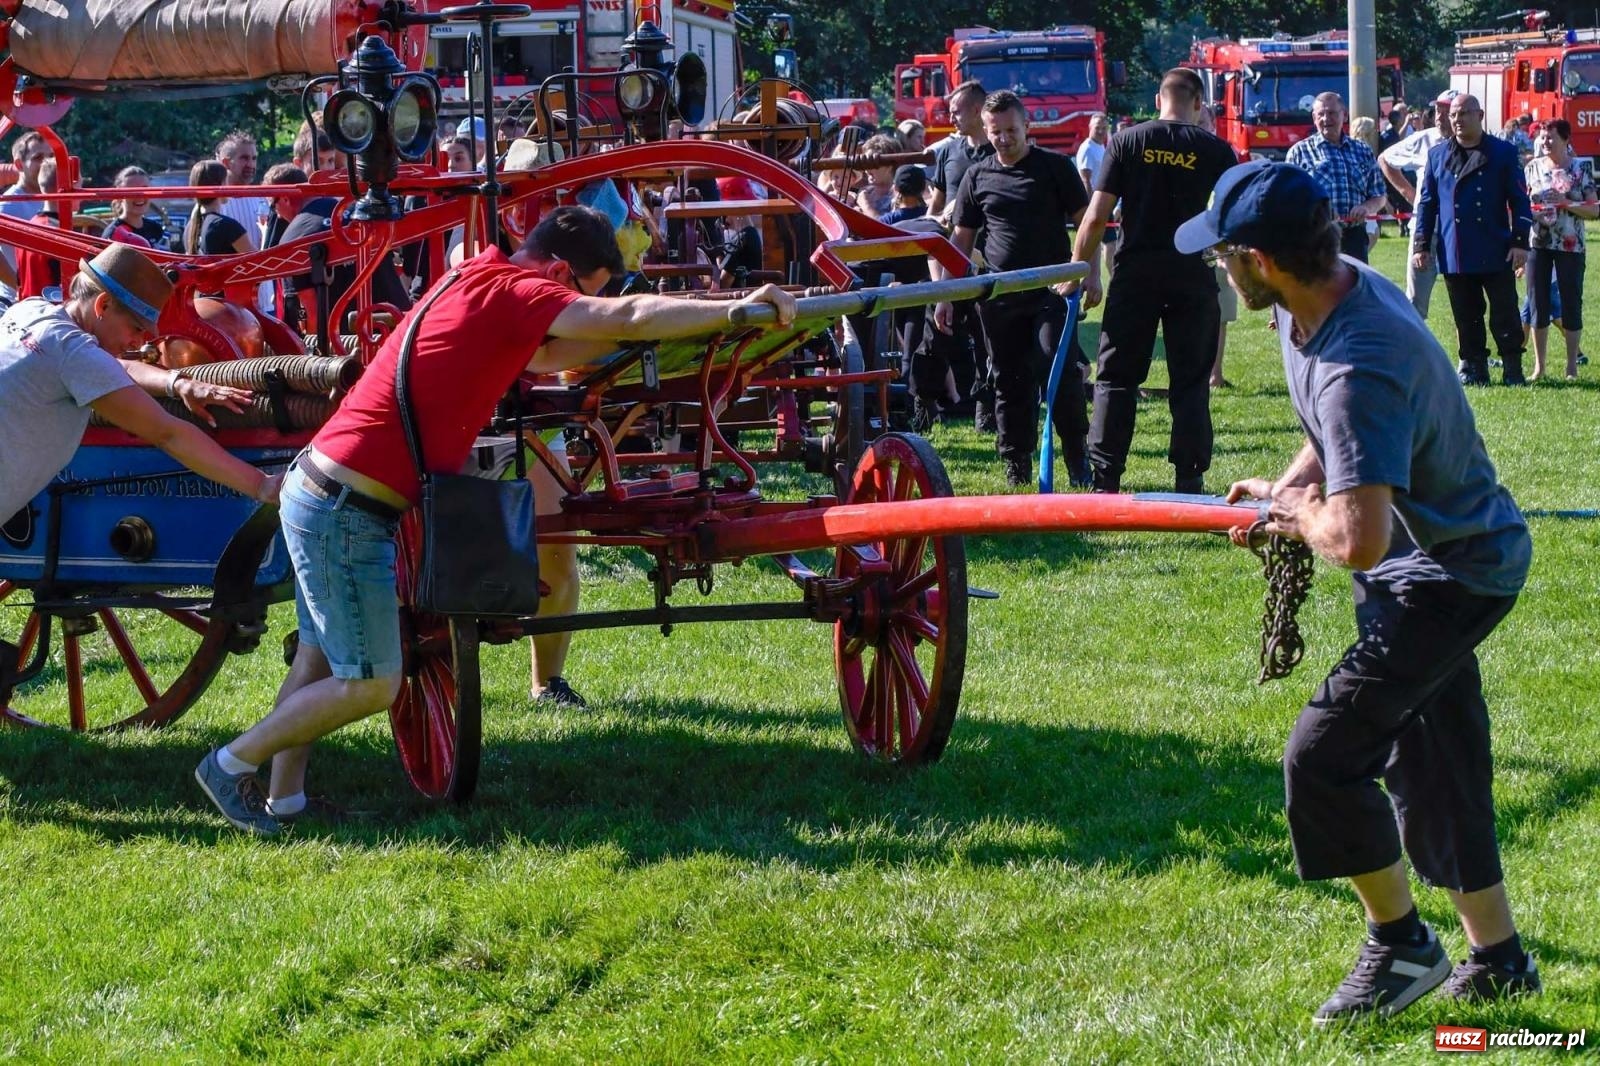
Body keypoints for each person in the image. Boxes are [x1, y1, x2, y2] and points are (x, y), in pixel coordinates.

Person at [193, 206, 798, 835]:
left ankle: (283, 803)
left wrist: (666, 328)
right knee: (372, 682)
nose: (578, 304)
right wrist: (733, 308)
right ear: (561, 270)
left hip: (326, 490)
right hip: (348, 506)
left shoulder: (479, 277)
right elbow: (627, 316)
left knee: (319, 662)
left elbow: (556, 354)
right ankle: (229, 764)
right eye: (582, 292)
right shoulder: (518, 291)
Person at [1181, 161, 1540, 1025]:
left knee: (1323, 758)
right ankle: (1499, 961)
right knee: (1436, 758)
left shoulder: (1357, 363)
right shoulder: (1322, 297)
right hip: (1423, 562)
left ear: (1260, 261)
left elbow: (1356, 537)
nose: (1220, 269)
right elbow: (1335, 443)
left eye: (1224, 254)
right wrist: (1286, 490)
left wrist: (1303, 513)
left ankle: (1402, 949)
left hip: (1452, 571)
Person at [0, 244, 274, 525]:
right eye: (136, 328)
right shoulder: (75, 355)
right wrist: (261, 486)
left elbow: (112, 368)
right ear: (103, 305)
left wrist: (177, 382)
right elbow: (168, 434)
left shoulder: (30, 310)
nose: (139, 343)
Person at [1070, 68, 1237, 495]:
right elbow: (1231, 222)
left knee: (1115, 378)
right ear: (1199, 103)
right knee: (1191, 380)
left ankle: (1105, 478)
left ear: (1158, 98)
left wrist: (1077, 269)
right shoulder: (1217, 149)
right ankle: (1190, 478)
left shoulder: (1127, 141)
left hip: (1135, 275)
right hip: (1192, 276)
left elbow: (1095, 216)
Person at [936, 90, 1092, 488]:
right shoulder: (977, 175)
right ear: (985, 131)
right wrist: (946, 294)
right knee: (1009, 380)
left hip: (1052, 291)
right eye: (996, 131)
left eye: (1011, 130)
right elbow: (962, 240)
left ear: (1027, 127)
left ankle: (1078, 459)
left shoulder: (1055, 168)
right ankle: (1016, 464)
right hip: (1000, 296)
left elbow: (1087, 224)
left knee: (1057, 373)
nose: (1004, 138)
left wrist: (1089, 274)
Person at [1412, 94, 1533, 386]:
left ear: (1479, 115)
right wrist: (1421, 244)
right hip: (1456, 249)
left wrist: (1519, 242)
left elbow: (1519, 200)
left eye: (1464, 113)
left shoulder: (1502, 152)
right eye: (1453, 115)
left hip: (1495, 246)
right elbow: (1427, 203)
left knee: (1504, 313)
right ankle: (1475, 368)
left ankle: (1512, 368)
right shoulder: (1437, 155)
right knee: (1466, 315)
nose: (1457, 119)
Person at [925, 79, 995, 430]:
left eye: (957, 110)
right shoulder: (948, 153)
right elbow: (934, 206)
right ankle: (925, 407)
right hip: (948, 261)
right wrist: (939, 218)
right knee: (935, 336)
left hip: (988, 259)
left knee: (987, 340)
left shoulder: (998, 154)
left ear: (978, 110)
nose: (950, 115)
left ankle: (985, 411)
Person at [1522, 118, 1596, 380]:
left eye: (1551, 136)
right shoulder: (1531, 168)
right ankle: (1539, 368)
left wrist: (1565, 203)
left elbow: (1594, 209)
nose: (1545, 141)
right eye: (1543, 136)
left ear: (1566, 139)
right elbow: (1523, 206)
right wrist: (1535, 214)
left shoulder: (1580, 168)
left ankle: (1571, 367)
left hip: (1570, 245)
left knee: (1570, 302)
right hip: (1538, 244)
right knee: (1537, 303)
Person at [1379, 90, 1457, 315]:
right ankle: (1408, 349)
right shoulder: (1426, 139)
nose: (1440, 117)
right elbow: (1385, 159)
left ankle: (1471, 351)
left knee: (1466, 300)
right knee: (1415, 303)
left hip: (1460, 232)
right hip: (1426, 231)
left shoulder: (1476, 142)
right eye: (1438, 111)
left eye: (1447, 112)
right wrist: (1409, 194)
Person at [1285, 94, 1388, 263]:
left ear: (1344, 115)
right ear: (1314, 118)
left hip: (1354, 238)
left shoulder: (1362, 151)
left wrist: (1366, 208)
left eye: (1332, 113)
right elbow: (1289, 201)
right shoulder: (1299, 153)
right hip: (1316, 239)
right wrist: (1317, 210)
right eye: (1321, 114)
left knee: (1354, 288)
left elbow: (1379, 195)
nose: (1326, 119)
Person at [0, 132, 48, 307]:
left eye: (50, 157)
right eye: (38, 157)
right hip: (16, 301)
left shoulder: (52, 200)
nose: (46, 163)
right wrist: (20, 286)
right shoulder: (8, 205)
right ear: (19, 164)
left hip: (46, 297)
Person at [1074, 113, 1117, 282]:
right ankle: (1092, 279)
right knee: (1105, 245)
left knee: (1109, 244)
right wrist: (1092, 207)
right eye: (1097, 128)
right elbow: (1086, 179)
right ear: (1090, 128)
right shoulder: (1087, 148)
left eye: (1103, 128)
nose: (1100, 131)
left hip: (1105, 203)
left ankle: (1111, 278)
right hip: (1097, 205)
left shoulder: (1101, 147)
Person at [102, 166, 169, 251]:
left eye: (145, 190)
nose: (140, 196)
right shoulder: (114, 234)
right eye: (132, 191)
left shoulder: (155, 228)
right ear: (119, 196)